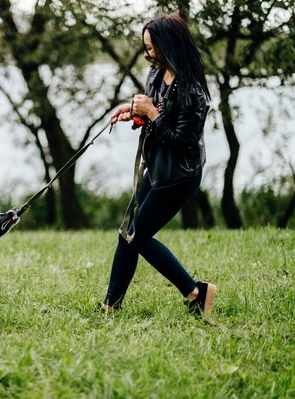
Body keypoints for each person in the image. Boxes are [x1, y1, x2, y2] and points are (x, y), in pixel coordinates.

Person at [100, 14, 216, 317]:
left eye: (151, 48)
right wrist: (135, 113)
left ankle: (195, 291)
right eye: (145, 48)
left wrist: (151, 113)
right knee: (128, 232)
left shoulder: (192, 92)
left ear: (168, 45)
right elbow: (155, 112)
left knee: (137, 236)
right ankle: (110, 306)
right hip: (157, 166)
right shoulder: (157, 74)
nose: (147, 54)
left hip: (178, 175)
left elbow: (182, 143)